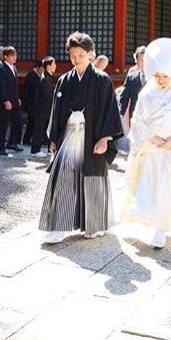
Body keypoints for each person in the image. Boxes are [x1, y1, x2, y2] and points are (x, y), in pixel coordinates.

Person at [39, 31, 123, 244]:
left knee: (92, 179)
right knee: (64, 178)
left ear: (90, 54)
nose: (76, 60)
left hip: (92, 136)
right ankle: (59, 226)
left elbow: (109, 110)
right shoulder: (64, 81)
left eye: (81, 55)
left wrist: (105, 138)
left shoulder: (102, 80)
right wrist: (54, 138)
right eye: (73, 55)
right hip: (69, 135)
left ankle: (92, 224)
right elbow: (56, 111)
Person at [120, 38, 171, 248]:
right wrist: (150, 136)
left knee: (167, 190)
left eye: (165, 76)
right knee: (147, 187)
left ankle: (161, 229)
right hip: (151, 148)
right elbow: (137, 119)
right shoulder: (146, 93)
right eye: (157, 75)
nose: (161, 80)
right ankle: (146, 219)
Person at [0, 46, 22, 155]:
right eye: (12, 55)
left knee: (17, 122)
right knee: (3, 125)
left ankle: (12, 142)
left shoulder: (14, 68)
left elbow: (14, 86)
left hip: (14, 100)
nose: (15, 57)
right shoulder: (1, 69)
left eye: (15, 55)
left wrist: (17, 98)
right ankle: (0, 147)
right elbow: (1, 87)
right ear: (5, 57)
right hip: (5, 101)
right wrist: (5, 100)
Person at [30, 56, 56, 157]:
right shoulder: (44, 78)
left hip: (46, 109)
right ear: (48, 66)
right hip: (42, 109)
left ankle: (50, 149)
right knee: (39, 129)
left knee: (47, 129)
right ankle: (35, 151)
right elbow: (48, 95)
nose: (55, 66)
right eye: (53, 64)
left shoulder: (47, 77)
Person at [22, 60, 44, 146]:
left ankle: (31, 138)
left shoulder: (40, 75)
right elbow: (30, 90)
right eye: (42, 68)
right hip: (31, 102)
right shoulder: (31, 75)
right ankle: (26, 139)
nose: (43, 70)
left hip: (37, 103)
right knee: (31, 122)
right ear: (38, 67)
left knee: (34, 122)